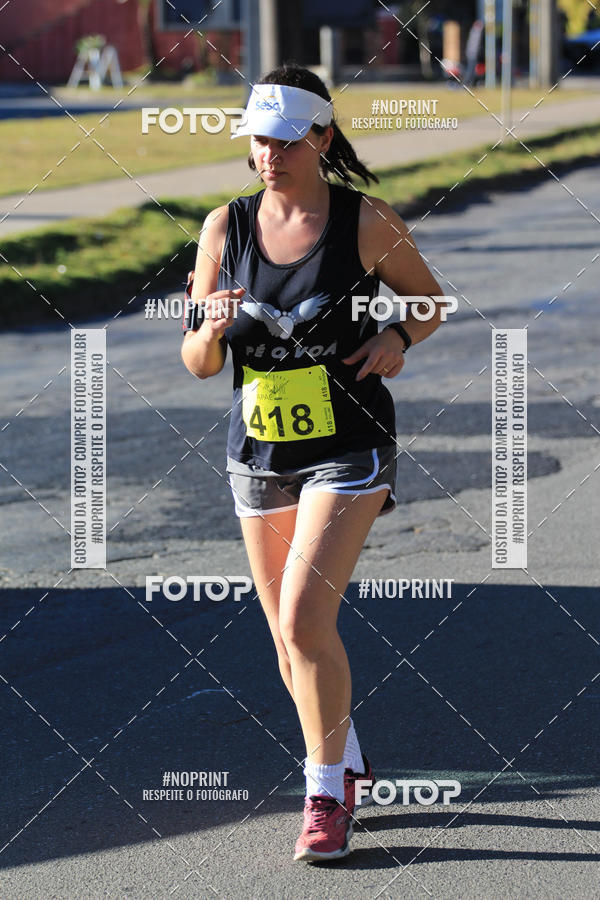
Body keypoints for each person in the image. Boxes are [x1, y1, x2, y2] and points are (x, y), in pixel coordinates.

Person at [181, 64, 443, 862]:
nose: (270, 155)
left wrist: (396, 336)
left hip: (349, 444)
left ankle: (325, 795)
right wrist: (209, 330)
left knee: (303, 620)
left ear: (322, 138)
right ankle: (348, 759)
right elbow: (196, 361)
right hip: (258, 453)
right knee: (285, 638)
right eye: (259, 140)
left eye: (288, 141)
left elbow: (429, 301)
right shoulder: (224, 227)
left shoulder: (364, 220)